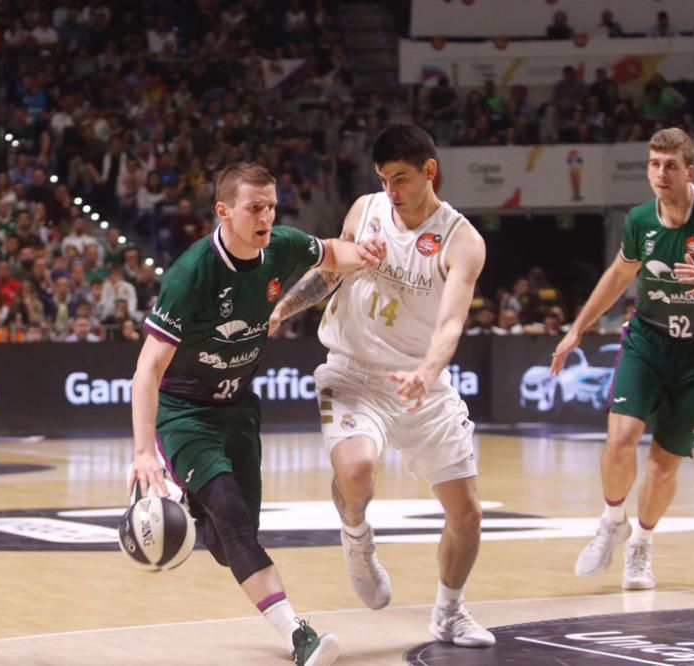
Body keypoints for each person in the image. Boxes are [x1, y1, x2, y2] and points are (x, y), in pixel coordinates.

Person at [129, 162, 384, 666]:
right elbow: (146, 371)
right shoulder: (190, 274)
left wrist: (365, 254)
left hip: (239, 408)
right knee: (235, 522)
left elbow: (331, 252)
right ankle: (300, 636)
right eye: (254, 207)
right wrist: (142, 453)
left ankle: (200, 509)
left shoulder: (283, 245)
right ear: (223, 211)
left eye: (271, 205)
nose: (265, 215)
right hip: (184, 413)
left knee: (230, 544)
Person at [270, 123, 494, 648]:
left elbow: (451, 323)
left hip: (420, 380)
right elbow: (329, 273)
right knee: (357, 469)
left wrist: (427, 372)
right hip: (353, 369)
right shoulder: (366, 211)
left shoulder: (462, 240)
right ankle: (355, 535)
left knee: (468, 513)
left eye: (400, 179)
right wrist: (283, 307)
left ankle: (450, 612)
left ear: (429, 172)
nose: (390, 192)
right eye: (383, 179)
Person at [552, 128, 694, 590]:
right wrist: (576, 329)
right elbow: (618, 276)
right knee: (620, 438)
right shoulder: (639, 220)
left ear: (688, 170)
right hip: (648, 341)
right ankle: (610, 521)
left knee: (664, 467)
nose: (659, 174)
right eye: (653, 164)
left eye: (669, 166)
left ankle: (641, 545)